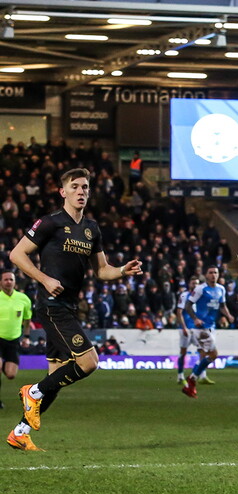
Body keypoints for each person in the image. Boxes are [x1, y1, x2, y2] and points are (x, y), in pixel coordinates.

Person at [7, 168, 142, 451]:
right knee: (89, 362)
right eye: (75, 186)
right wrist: (44, 279)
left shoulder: (92, 228)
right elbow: (17, 254)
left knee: (55, 377)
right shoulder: (50, 222)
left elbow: (102, 270)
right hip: (51, 305)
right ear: (63, 192)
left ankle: (20, 432)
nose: (81, 192)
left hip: (68, 306)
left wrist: (122, 271)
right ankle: (32, 391)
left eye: (85, 187)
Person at [181, 266, 233, 398]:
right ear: (206, 275)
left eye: (215, 272)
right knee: (213, 354)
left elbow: (222, 306)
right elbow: (188, 305)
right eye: (210, 273)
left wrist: (228, 315)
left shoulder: (221, 289)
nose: (213, 275)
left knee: (205, 355)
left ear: (218, 275)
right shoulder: (200, 289)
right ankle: (192, 380)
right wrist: (195, 319)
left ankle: (191, 380)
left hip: (212, 326)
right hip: (201, 328)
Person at [0, 270, 31, 410]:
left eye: (11, 279)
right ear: (1, 282)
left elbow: (27, 320)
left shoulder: (23, 299)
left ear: (15, 282)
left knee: (11, 374)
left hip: (13, 340)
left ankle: (3, 365)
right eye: (6, 279)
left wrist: (26, 337)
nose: (8, 282)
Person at [174, 277, 201, 386]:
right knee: (183, 352)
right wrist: (184, 327)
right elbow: (179, 312)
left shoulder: (200, 296)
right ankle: (180, 375)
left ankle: (196, 375)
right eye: (193, 283)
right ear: (189, 284)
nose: (195, 285)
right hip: (186, 328)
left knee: (203, 351)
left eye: (197, 283)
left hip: (197, 329)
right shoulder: (184, 295)